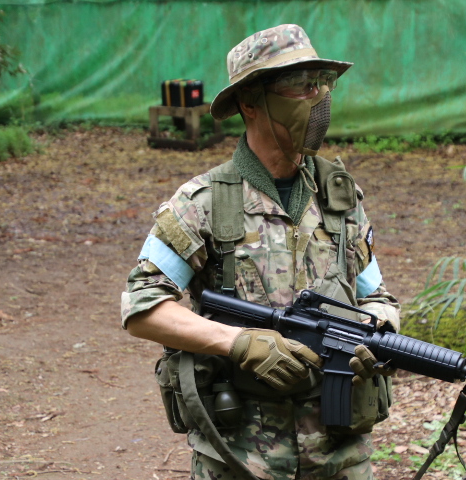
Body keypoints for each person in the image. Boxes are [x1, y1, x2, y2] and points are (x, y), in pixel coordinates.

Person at [121, 24, 400, 480]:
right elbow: (142, 307)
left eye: (320, 83)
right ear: (250, 102)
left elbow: (377, 297)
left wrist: (378, 335)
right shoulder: (203, 203)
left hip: (339, 456)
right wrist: (238, 343)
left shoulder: (340, 198)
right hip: (240, 458)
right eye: (299, 84)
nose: (317, 97)